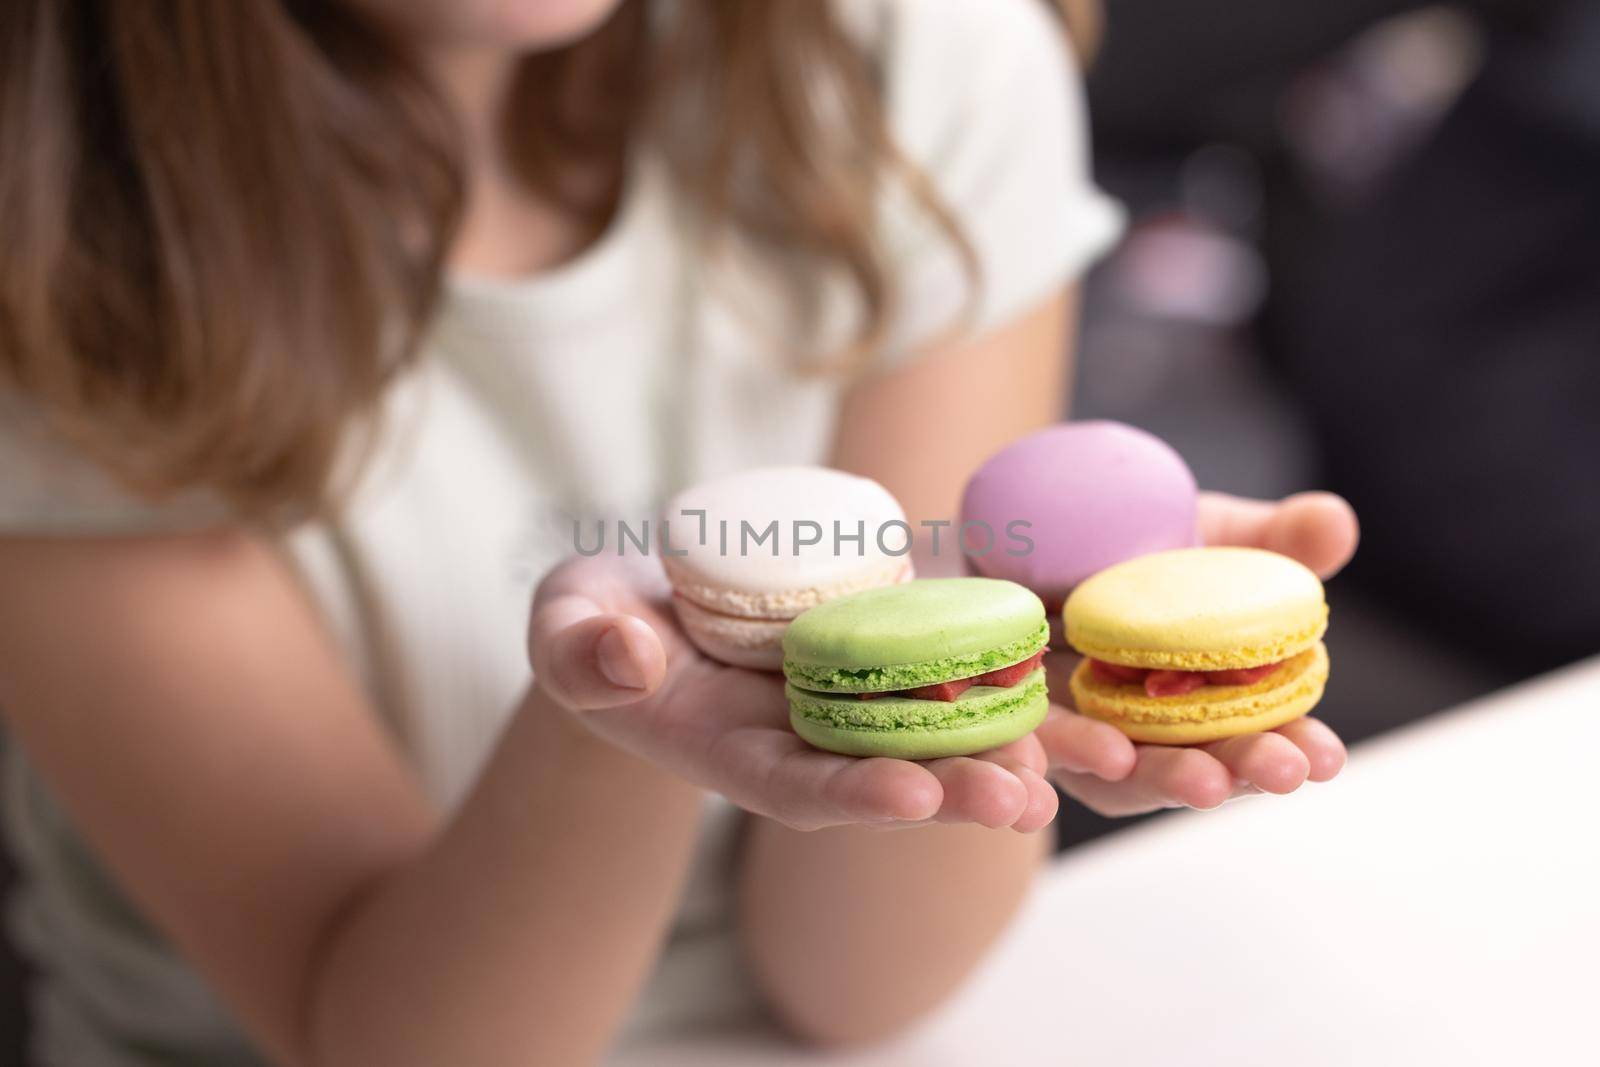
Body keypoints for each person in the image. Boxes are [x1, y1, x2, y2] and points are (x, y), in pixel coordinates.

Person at [0, 1, 1357, 1063]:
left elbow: (859, 993)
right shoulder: (49, 241)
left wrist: (967, 682)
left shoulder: (912, 57)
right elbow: (396, 1045)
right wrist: (621, 694)